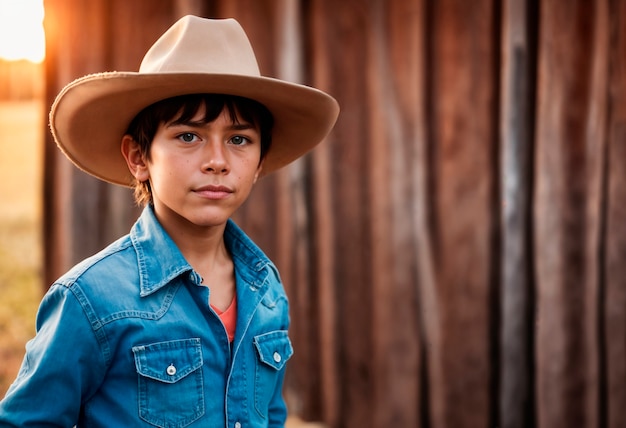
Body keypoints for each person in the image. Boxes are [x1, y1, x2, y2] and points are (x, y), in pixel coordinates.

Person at [0, 15, 339, 427]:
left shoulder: (266, 290)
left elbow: (269, 414)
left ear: (259, 161)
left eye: (239, 140)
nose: (217, 161)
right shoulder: (90, 300)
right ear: (139, 158)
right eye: (188, 136)